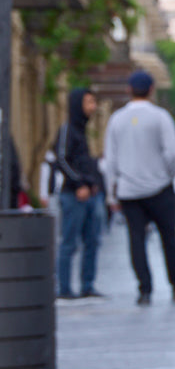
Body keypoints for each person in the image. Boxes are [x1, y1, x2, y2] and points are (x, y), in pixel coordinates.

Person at [104, 71, 175, 306]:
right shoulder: (160, 117)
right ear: (152, 89)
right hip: (159, 189)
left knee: (136, 240)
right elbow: (173, 153)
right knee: (169, 238)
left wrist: (111, 192)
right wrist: (167, 176)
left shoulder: (116, 119)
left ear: (129, 90)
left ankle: (144, 290)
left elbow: (110, 160)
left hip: (128, 190)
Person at [54, 88, 105, 300]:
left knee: (92, 240)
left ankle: (87, 285)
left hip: (91, 194)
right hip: (74, 195)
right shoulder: (67, 129)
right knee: (69, 242)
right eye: (88, 102)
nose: (92, 107)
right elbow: (62, 159)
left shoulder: (83, 130)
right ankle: (64, 288)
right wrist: (79, 184)